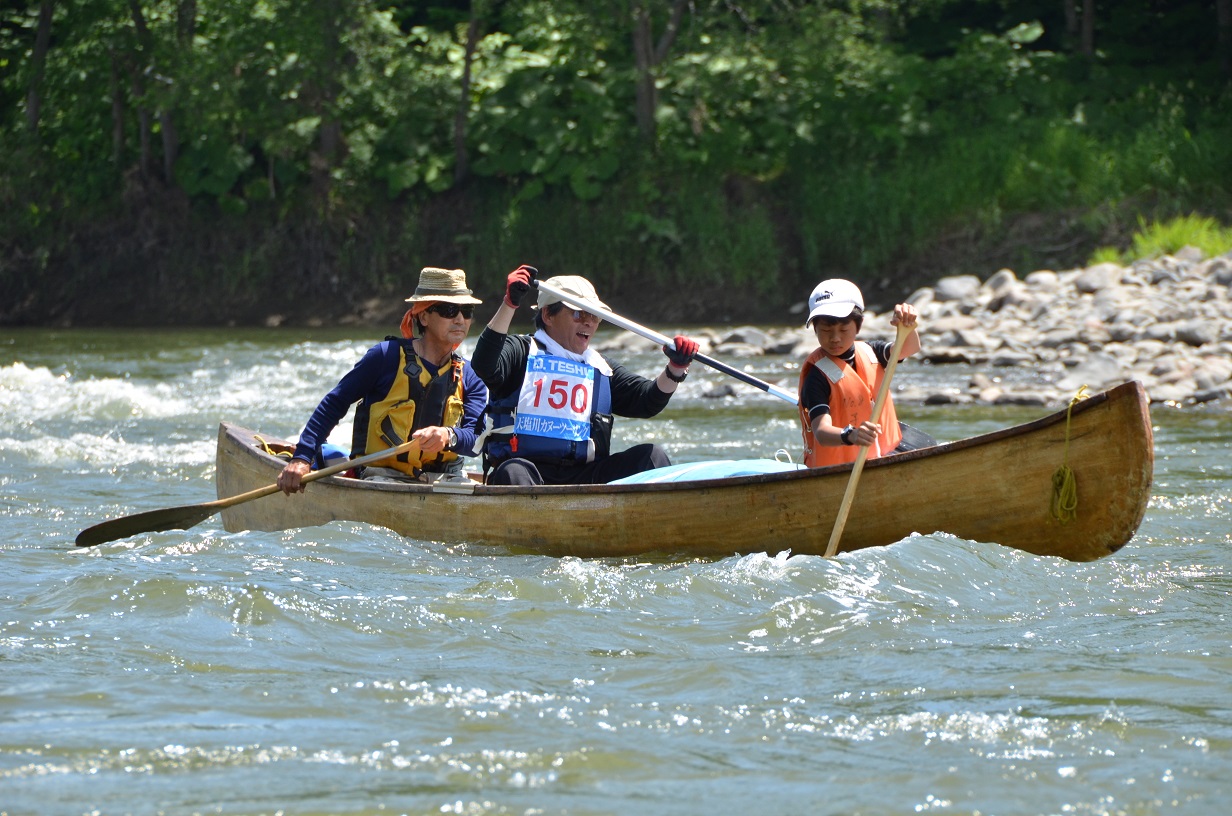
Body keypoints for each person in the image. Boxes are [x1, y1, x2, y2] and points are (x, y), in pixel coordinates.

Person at [471, 265, 700, 485]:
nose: (589, 322)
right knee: (513, 472)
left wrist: (675, 369)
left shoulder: (599, 367)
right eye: (579, 313)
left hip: (587, 476)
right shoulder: (520, 352)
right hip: (529, 473)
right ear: (548, 315)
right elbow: (483, 364)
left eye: (594, 315)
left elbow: (646, 401)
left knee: (653, 457)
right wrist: (510, 304)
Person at [276, 267, 489, 493]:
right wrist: (302, 458)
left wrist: (448, 435)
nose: (459, 319)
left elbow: (476, 439)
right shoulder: (385, 357)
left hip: (443, 481)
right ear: (424, 316)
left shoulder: (470, 376)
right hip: (381, 476)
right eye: (449, 310)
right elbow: (334, 403)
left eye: (467, 311)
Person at [797, 277, 930, 468]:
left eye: (844, 329)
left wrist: (907, 327)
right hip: (840, 470)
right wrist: (851, 435)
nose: (835, 338)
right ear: (815, 329)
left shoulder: (872, 351)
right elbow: (821, 432)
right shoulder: (816, 377)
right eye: (826, 330)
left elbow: (909, 348)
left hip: (883, 456)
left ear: (858, 326)